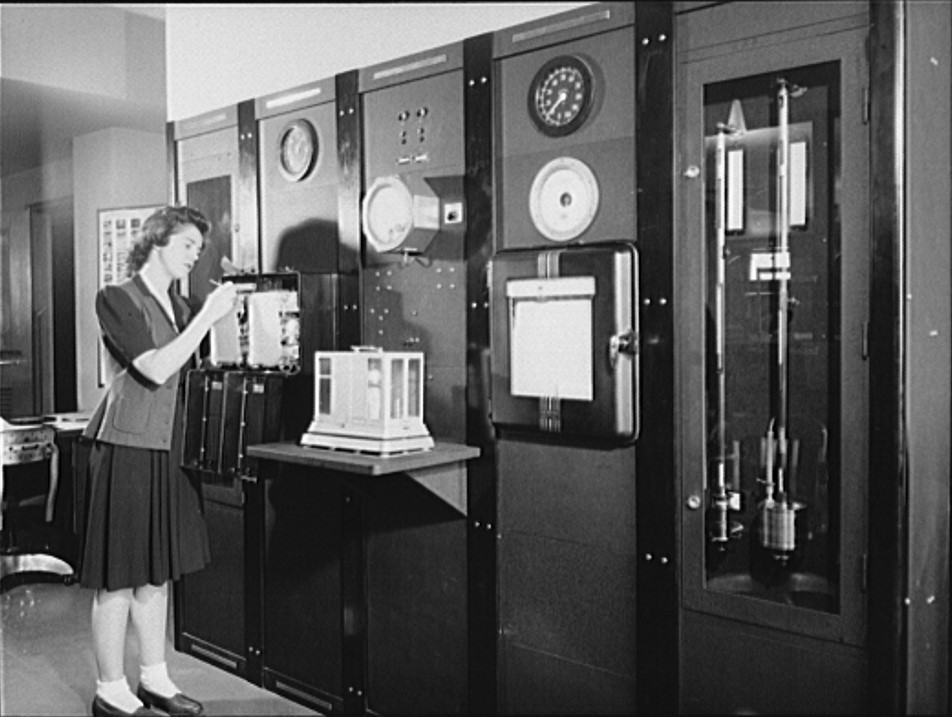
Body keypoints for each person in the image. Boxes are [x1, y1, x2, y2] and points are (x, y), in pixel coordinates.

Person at [78, 206, 238, 717]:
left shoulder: (183, 304)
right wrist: (209, 316)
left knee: (157, 571)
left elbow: (216, 364)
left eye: (198, 247)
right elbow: (155, 368)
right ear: (156, 241)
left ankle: (154, 678)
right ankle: (110, 689)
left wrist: (225, 315)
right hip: (126, 448)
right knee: (119, 576)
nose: (195, 255)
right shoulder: (116, 299)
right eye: (188, 244)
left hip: (172, 449)